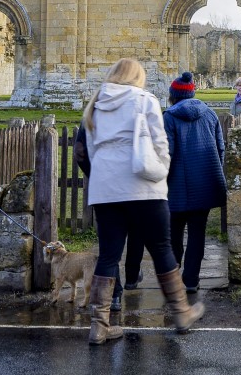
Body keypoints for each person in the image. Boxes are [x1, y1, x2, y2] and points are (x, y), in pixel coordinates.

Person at [83, 58, 205, 345]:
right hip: (142, 187)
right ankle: (181, 313)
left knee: (109, 254)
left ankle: (99, 326)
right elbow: (160, 142)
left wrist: (103, 179)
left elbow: (89, 150)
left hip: (105, 189)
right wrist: (160, 170)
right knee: (162, 248)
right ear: (137, 77)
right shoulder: (144, 99)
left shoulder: (95, 103)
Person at [163, 71, 226, 292]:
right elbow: (220, 149)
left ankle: (173, 276)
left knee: (174, 234)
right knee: (198, 234)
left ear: (173, 96)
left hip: (176, 186)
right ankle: (191, 281)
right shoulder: (210, 114)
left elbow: (166, 153)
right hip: (204, 184)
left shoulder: (169, 117)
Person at [72, 121, 139, 310]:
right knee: (138, 235)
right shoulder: (139, 104)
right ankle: (133, 279)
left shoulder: (94, 109)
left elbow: (79, 152)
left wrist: (95, 175)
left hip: (105, 190)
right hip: (133, 187)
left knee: (109, 250)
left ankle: (109, 303)